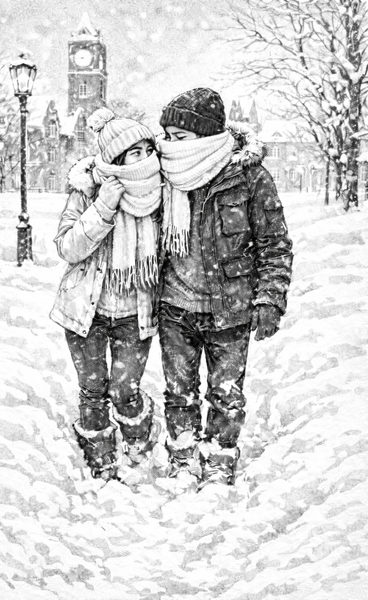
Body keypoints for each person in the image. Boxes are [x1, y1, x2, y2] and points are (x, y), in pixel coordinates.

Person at [157, 88, 293, 487]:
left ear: (204, 136)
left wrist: (269, 300)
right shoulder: (165, 176)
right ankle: (183, 457)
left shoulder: (249, 178)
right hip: (174, 306)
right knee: (179, 393)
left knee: (226, 395)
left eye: (178, 136)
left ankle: (219, 458)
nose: (168, 144)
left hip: (230, 309)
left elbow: (274, 243)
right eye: (166, 135)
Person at [50, 107, 162, 482]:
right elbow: (68, 247)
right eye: (135, 153)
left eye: (148, 151)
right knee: (93, 389)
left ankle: (139, 440)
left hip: (135, 311)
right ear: (116, 158)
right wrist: (103, 207)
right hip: (86, 311)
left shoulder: (159, 196)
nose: (145, 159)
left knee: (125, 390)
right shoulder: (87, 191)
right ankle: (100, 458)